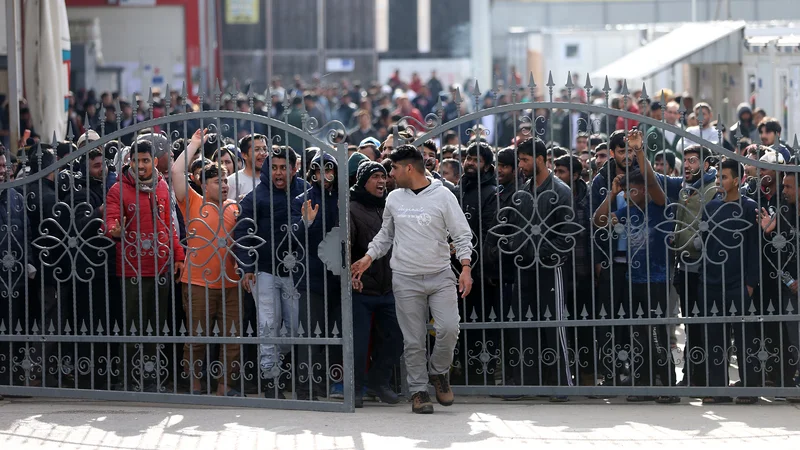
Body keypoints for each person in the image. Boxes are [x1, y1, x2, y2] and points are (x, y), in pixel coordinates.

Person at [351, 144, 473, 414]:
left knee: (449, 329)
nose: (389, 173)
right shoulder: (394, 199)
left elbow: (462, 234)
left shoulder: (443, 196)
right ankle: (419, 390)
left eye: (393, 167)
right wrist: (368, 257)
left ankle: (439, 372)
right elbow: (386, 235)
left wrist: (465, 267)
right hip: (405, 277)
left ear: (408, 168)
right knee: (414, 340)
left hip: (440, 275)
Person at [593, 130, 677, 403]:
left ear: (645, 190)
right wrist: (613, 194)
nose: (629, 194)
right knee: (638, 334)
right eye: (626, 190)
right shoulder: (627, 210)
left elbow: (652, 182)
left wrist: (639, 151)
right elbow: (599, 221)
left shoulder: (658, 206)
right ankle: (643, 383)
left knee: (656, 333)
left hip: (656, 278)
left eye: (633, 190)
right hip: (634, 279)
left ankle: (667, 386)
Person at [490, 137, 576, 401]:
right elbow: (517, 226)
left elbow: (567, 234)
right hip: (524, 267)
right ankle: (528, 383)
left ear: (540, 159)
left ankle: (563, 385)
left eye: (525, 160)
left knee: (554, 325)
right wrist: (517, 249)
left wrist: (546, 253)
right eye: (520, 160)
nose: (521, 165)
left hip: (550, 268)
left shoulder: (561, 191)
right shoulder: (523, 190)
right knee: (524, 324)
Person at [105, 140, 185, 392]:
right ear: (129, 161)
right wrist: (114, 230)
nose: (141, 165)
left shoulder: (161, 187)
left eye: (145, 160)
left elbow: (168, 227)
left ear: (153, 161)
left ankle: (151, 377)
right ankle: (127, 378)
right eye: (136, 160)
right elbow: (110, 221)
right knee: (132, 325)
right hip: (132, 268)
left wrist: (179, 256)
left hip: (161, 266)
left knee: (156, 324)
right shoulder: (118, 189)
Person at [172, 128, 242, 396]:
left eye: (225, 181)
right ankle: (195, 386)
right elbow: (177, 174)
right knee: (197, 338)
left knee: (232, 339)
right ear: (203, 184)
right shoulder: (192, 202)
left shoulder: (235, 208)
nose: (223, 185)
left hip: (230, 283)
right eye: (217, 181)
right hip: (198, 282)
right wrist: (194, 144)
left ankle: (224, 388)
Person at [234, 144, 307, 398]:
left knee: (295, 328)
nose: (278, 173)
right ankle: (270, 378)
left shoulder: (305, 193)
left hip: (296, 273)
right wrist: (247, 267)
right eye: (273, 167)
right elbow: (242, 233)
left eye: (282, 168)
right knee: (268, 325)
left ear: (293, 168)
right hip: (264, 271)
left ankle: (278, 366)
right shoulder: (256, 197)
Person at [700, 159, 760, 404]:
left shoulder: (748, 207)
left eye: (724, 177)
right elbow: (705, 245)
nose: (720, 182)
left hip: (739, 282)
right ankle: (719, 389)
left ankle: (749, 388)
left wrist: (750, 282)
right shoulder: (710, 207)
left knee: (745, 335)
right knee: (715, 337)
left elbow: (754, 246)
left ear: (737, 180)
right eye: (718, 177)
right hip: (712, 280)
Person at [660, 145, 717, 387]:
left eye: (693, 161)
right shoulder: (686, 188)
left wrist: (698, 241)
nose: (688, 166)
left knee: (702, 322)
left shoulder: (712, 189)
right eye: (686, 161)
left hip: (704, 265)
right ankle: (692, 375)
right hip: (683, 265)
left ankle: (703, 377)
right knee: (691, 321)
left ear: (705, 165)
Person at [349, 161, 403, 408]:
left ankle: (378, 382)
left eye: (384, 176)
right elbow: (347, 247)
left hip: (390, 286)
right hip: (363, 288)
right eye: (375, 177)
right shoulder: (351, 208)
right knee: (359, 344)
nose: (382, 181)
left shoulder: (392, 206)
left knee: (396, 337)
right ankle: (357, 388)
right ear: (363, 181)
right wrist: (351, 276)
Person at [291, 151, 341, 400]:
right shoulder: (302, 199)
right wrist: (305, 223)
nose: (325, 176)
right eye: (320, 171)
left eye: (329, 170)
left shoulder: (343, 197)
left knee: (335, 332)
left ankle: (328, 382)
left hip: (339, 277)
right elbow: (290, 239)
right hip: (311, 277)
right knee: (309, 332)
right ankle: (305, 385)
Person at [552, 154, 594, 387]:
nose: (558, 176)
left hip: (585, 272)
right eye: (556, 171)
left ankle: (587, 374)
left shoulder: (588, 199)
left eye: (563, 172)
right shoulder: (554, 197)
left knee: (585, 326)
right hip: (560, 273)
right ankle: (562, 376)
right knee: (562, 327)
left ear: (576, 175)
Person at [228, 134, 268, 201]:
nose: (262, 153)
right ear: (244, 155)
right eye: (257, 149)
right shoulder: (233, 181)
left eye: (265, 149)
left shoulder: (272, 179)